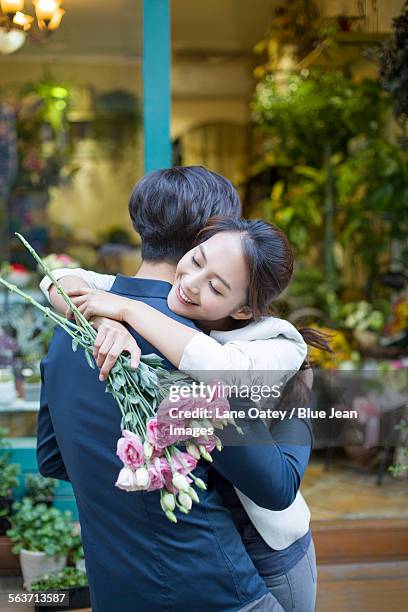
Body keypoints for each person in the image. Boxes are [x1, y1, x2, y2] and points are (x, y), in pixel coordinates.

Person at [41, 170, 327, 611]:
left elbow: (53, 458)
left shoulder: (70, 329)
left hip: (115, 590)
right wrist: (298, 390)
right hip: (214, 588)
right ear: (209, 234)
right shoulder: (198, 354)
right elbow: (275, 485)